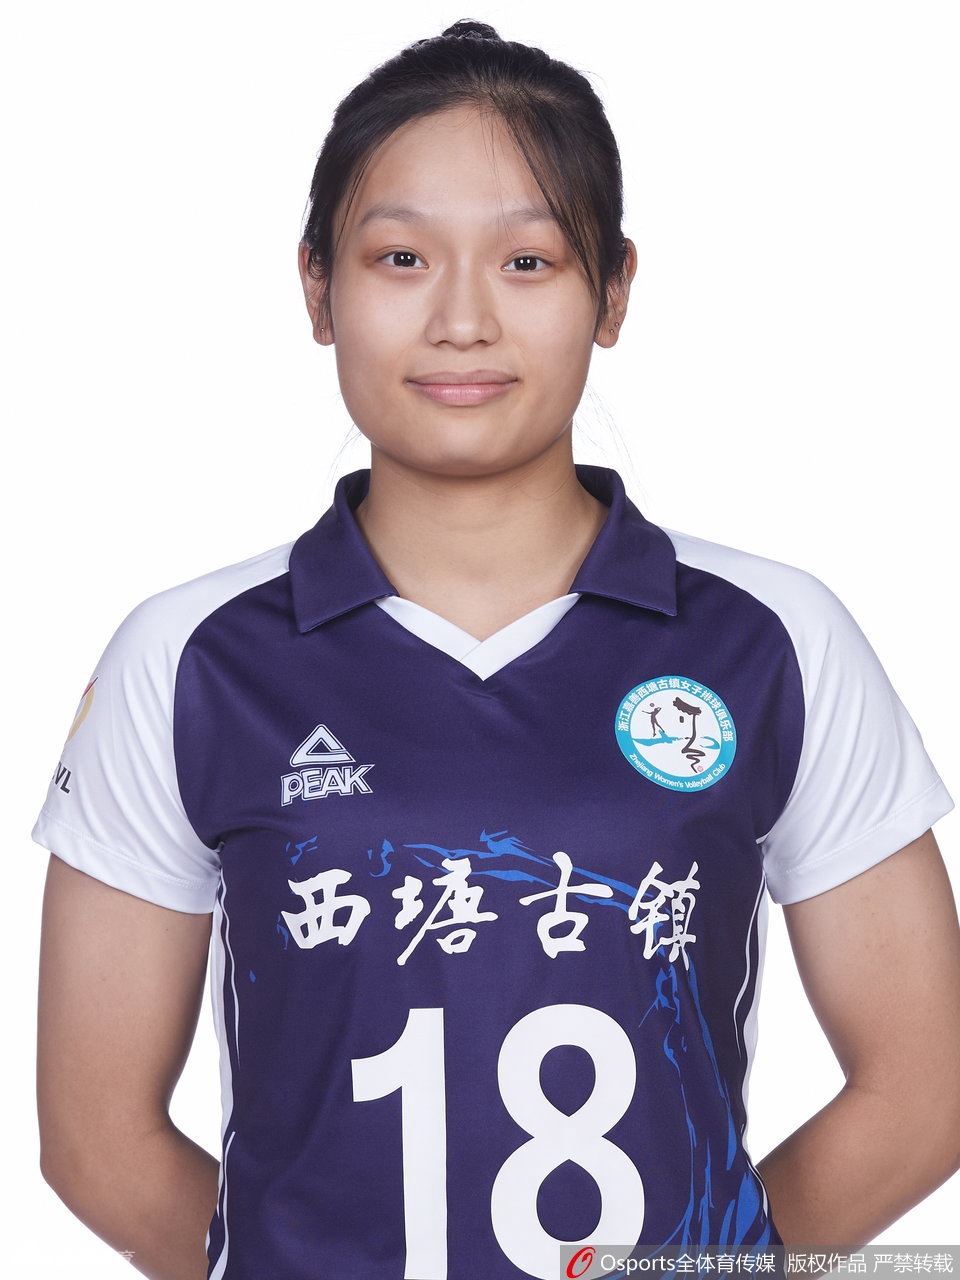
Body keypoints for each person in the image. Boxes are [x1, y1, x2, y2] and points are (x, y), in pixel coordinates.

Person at [33, 18, 960, 1280]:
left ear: (614, 290)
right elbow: (96, 1138)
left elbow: (924, 1086)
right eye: (401, 257)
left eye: (528, 259)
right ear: (317, 288)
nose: (462, 319)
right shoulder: (190, 658)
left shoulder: (772, 639)